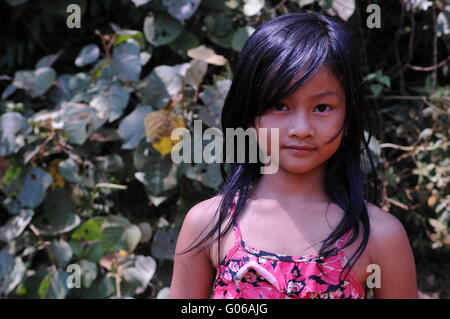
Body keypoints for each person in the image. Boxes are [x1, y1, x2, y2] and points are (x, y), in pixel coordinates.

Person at [168, 11, 418, 299]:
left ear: (348, 118)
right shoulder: (209, 225)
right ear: (250, 113)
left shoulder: (381, 236)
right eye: (280, 105)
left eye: (322, 107)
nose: (301, 129)